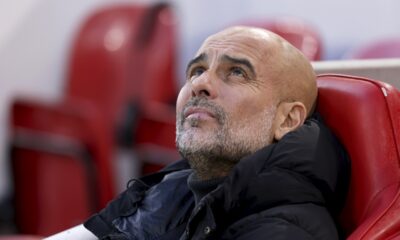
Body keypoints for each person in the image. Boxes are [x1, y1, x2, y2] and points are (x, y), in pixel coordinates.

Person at [46, 26, 349, 240]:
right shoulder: (173, 187)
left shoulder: (285, 231)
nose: (199, 84)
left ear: (287, 120)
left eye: (237, 72)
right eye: (196, 71)